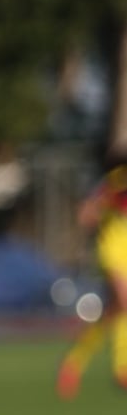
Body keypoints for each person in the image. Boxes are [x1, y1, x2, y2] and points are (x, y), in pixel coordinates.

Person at [56, 150, 127, 400]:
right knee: (123, 302)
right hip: (112, 251)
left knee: (117, 310)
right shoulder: (115, 180)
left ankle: (75, 360)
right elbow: (87, 212)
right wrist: (100, 208)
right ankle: (121, 368)